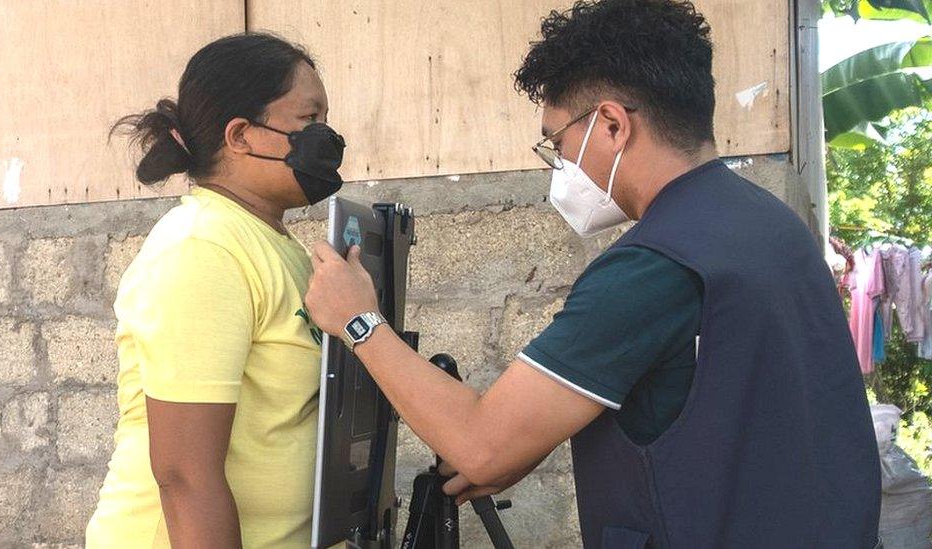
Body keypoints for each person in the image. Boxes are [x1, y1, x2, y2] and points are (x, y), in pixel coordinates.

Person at [304, 1, 881, 547]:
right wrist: (516, 446)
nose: (561, 167)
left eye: (558, 144)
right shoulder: (770, 224)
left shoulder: (653, 266)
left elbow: (480, 447)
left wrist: (359, 321)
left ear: (610, 125)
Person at [86, 33, 344, 548]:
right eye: (308, 120)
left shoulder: (269, 240)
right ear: (242, 135)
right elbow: (185, 476)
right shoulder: (203, 248)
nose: (328, 136)